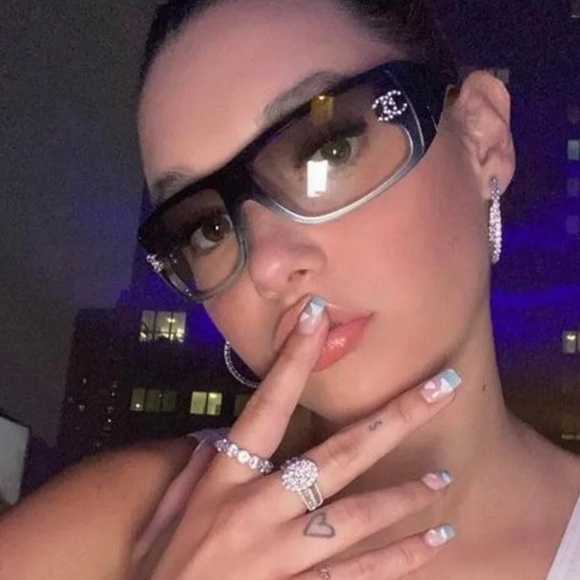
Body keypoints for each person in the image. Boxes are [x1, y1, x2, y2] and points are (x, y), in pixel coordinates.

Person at [1, 0, 579, 578]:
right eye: (208, 227)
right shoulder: (102, 531)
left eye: (330, 150)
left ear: (481, 137)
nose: (268, 267)